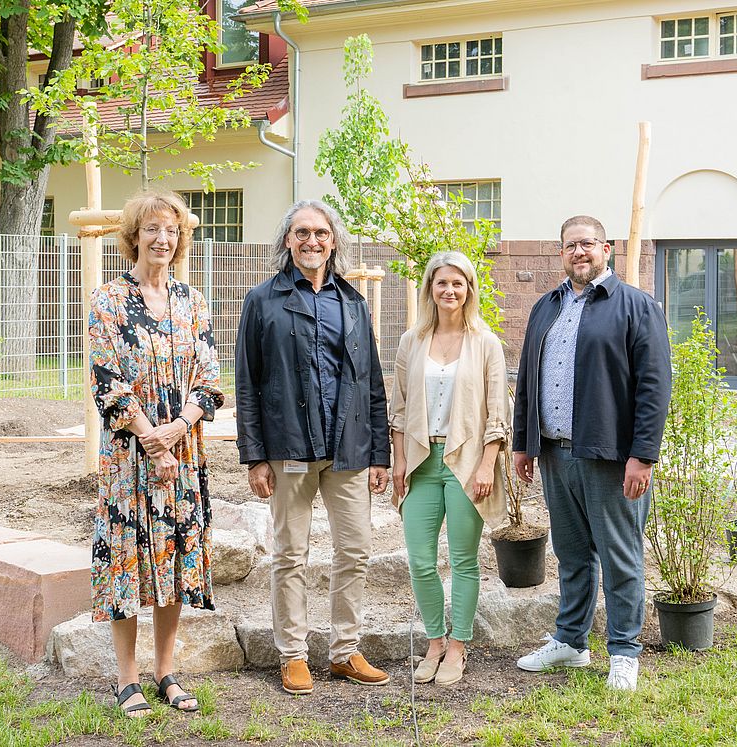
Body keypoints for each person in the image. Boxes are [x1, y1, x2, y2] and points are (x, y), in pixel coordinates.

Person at [235, 199, 391, 695]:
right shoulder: (264, 300)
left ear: (334, 241)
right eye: (301, 232)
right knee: (290, 555)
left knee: (356, 550)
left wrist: (380, 453)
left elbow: (372, 384)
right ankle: (293, 655)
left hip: (348, 449)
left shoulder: (353, 302)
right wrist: (255, 456)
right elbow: (247, 382)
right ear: (287, 241)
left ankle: (345, 651)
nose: (312, 241)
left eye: (321, 233)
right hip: (288, 448)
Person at [512, 215, 672, 692]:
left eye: (586, 244)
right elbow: (527, 379)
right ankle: (572, 642)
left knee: (621, 557)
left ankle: (624, 651)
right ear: (560, 254)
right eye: (569, 246)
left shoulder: (637, 307)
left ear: (607, 248)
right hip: (557, 455)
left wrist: (642, 456)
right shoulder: (546, 306)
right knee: (572, 554)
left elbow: (654, 386)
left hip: (610, 456)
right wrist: (524, 443)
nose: (578, 252)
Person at [89, 190, 224, 717]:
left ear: (180, 238)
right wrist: (151, 436)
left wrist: (176, 431)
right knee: (127, 562)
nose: (162, 238)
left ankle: (167, 672)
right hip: (129, 458)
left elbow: (210, 380)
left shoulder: (194, 301)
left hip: (183, 454)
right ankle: (127, 680)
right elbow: (108, 381)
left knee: (173, 558)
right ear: (133, 236)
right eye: (151, 229)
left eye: (170, 230)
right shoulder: (108, 300)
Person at [389, 252, 509, 687]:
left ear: (469, 289)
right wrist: (399, 460)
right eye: (441, 283)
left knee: (463, 560)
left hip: (466, 462)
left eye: (458, 283)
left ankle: (459, 646)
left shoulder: (485, 343)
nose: (449, 291)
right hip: (422, 462)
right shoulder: (411, 341)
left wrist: (487, 465)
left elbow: (498, 412)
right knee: (420, 561)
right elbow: (399, 408)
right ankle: (435, 641)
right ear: (430, 289)